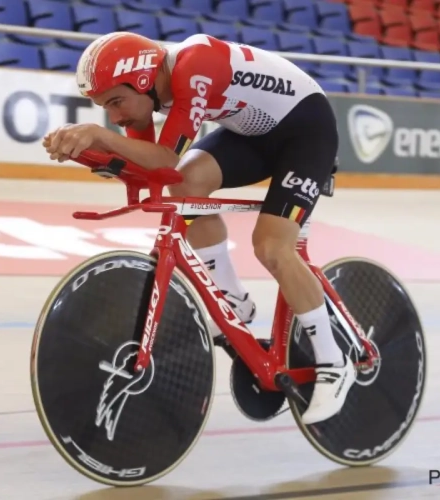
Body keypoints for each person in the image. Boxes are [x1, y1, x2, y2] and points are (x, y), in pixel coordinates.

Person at [43, 31, 355, 425]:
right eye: (106, 109)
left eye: (117, 102)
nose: (117, 117)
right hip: (253, 135)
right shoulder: (146, 97)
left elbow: (163, 158)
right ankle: (233, 298)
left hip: (306, 131)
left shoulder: (194, 65)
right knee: (186, 184)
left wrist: (102, 137)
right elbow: (152, 174)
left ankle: (333, 362)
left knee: (273, 247)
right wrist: (93, 154)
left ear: (143, 79)